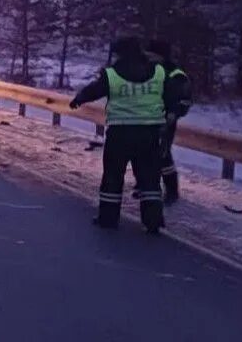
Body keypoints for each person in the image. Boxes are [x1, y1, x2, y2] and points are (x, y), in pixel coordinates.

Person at [69, 36, 174, 234]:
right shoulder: (158, 72)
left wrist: (79, 99)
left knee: (113, 176)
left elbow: (95, 90)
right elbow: (171, 94)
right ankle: (153, 220)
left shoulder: (113, 74)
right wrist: (171, 113)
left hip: (120, 133)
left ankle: (108, 218)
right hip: (149, 133)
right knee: (150, 177)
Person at [145, 39, 192, 204]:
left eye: (152, 55)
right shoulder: (148, 69)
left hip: (165, 121)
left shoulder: (175, 74)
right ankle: (147, 187)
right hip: (145, 118)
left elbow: (184, 100)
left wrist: (174, 113)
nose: (149, 58)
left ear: (161, 56)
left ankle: (171, 190)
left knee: (163, 156)